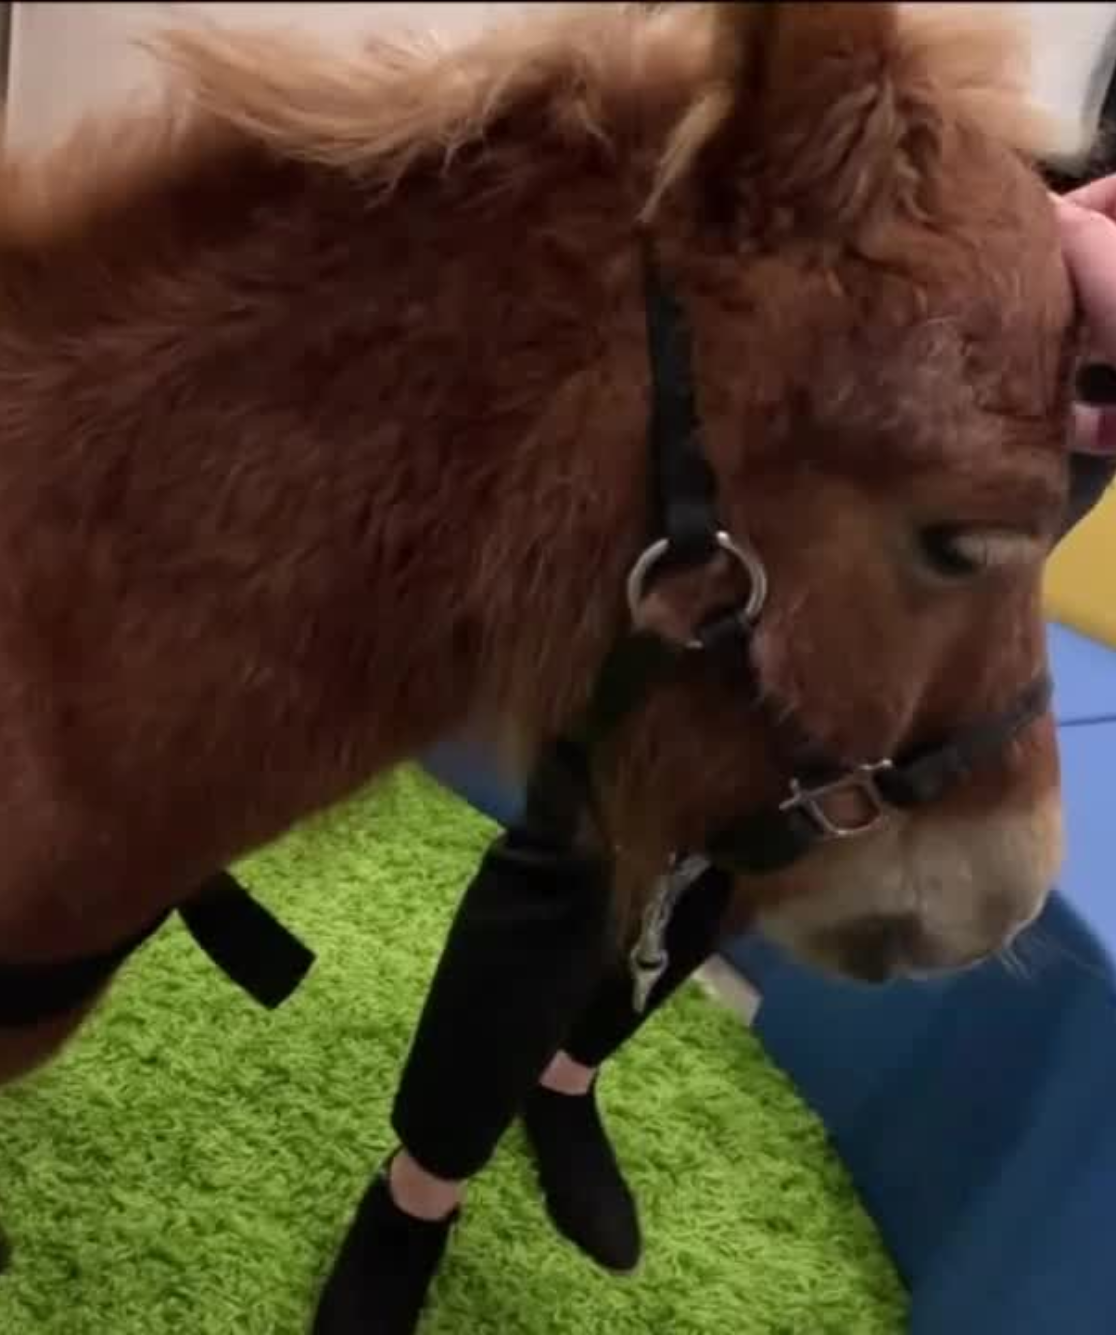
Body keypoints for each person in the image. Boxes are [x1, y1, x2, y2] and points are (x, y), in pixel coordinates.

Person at [308, 176, 1116, 1335]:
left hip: (983, 538)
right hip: (800, 516)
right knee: (572, 852)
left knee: (757, 844)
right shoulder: (1013, 201)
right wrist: (1051, 239)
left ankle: (565, 1080)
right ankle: (414, 1197)